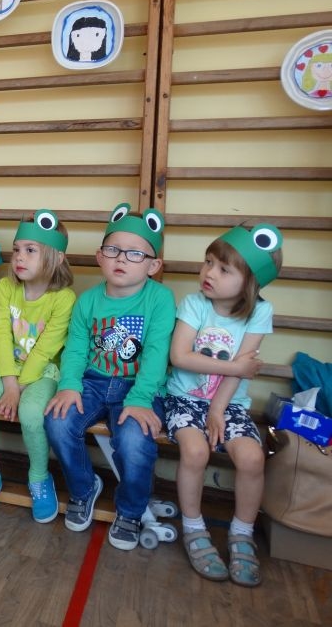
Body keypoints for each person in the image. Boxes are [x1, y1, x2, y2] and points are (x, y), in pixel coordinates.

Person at [44, 202, 176, 550]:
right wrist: (69, 386)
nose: (122, 259)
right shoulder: (87, 301)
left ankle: (130, 510)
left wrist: (141, 399)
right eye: (114, 250)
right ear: (100, 256)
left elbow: (156, 353)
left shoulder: (160, 299)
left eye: (135, 254)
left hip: (139, 388)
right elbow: (75, 350)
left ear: (153, 265)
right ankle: (84, 488)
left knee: (134, 439)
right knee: (57, 422)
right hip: (93, 381)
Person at [166, 224, 283, 587]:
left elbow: (243, 367)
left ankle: (241, 533)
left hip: (229, 404)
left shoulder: (260, 311)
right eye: (208, 262)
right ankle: (193, 527)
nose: (209, 273)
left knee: (252, 458)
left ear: (249, 282)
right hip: (183, 399)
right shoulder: (194, 304)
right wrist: (235, 367)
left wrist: (217, 410)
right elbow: (180, 357)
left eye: (223, 269)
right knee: (195, 451)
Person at [0, 210, 76, 520]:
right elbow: (0, 338)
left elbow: (45, 351)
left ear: (56, 258)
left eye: (30, 250)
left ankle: (39, 477)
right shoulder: (5, 287)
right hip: (6, 367)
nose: (20, 258)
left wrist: (19, 388)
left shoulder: (64, 298)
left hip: (43, 372)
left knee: (31, 412)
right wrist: (9, 384)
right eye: (16, 250)